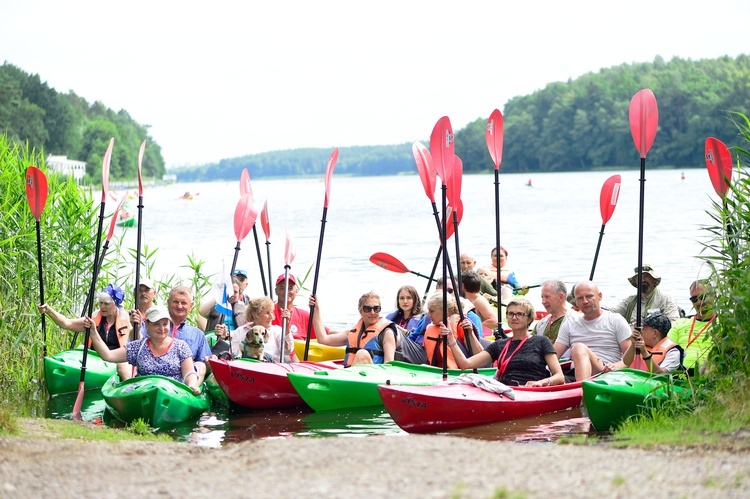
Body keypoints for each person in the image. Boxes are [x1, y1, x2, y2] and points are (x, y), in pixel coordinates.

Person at [443, 298, 565, 387]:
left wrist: (541, 383)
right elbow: (465, 364)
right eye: (511, 313)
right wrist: (451, 340)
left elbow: (559, 376)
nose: (514, 317)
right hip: (506, 391)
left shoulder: (541, 341)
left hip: (532, 391)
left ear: (529, 319)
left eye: (520, 314)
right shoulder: (499, 345)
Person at [84, 305, 201, 394]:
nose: (162, 328)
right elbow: (108, 355)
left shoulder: (181, 346)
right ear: (148, 325)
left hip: (172, 393)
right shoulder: (138, 346)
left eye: (165, 324)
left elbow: (189, 373)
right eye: (156, 324)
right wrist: (93, 332)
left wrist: (191, 384)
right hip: (142, 392)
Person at [38, 283, 133, 381]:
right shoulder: (93, 318)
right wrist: (49, 310)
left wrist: (135, 324)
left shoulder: (127, 319)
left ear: (116, 304)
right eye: (101, 303)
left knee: (123, 366)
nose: (102, 306)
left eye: (107, 304)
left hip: (116, 359)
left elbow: (137, 339)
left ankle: (129, 390)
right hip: (95, 357)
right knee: (79, 348)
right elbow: (67, 323)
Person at [554, 281, 632, 381]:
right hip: (576, 373)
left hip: (606, 373)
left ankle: (582, 391)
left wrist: (617, 366)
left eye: (589, 296)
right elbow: (554, 355)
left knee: (579, 348)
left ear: (599, 296)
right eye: (580, 298)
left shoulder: (615, 320)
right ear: (576, 302)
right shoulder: (570, 323)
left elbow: (630, 357)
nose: (585, 301)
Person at [310, 291, 399, 367]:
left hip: (373, 379)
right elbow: (323, 339)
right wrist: (316, 310)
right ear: (360, 311)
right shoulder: (351, 333)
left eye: (376, 309)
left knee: (362, 354)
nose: (372, 312)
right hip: (353, 375)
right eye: (367, 309)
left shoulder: (387, 333)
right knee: (361, 354)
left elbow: (389, 365)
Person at [409, 278, 484, 346]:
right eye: (441, 292)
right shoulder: (429, 316)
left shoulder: (470, 318)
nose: (446, 295)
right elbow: (413, 337)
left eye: (449, 291)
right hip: (421, 352)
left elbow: (478, 349)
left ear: (457, 291)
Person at [220, 296, 296, 362]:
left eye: (272, 312)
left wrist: (286, 327)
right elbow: (234, 355)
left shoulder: (277, 331)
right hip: (244, 369)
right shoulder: (240, 331)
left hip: (269, 371)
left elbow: (287, 351)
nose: (272, 317)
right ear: (255, 314)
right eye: (267, 313)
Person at [422, 293, 485, 368]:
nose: (428, 315)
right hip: (436, 370)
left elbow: (482, 360)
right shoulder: (430, 327)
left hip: (457, 372)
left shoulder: (461, 325)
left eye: (432, 311)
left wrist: (470, 334)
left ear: (445, 310)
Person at [668, 280, 716, 376]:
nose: (699, 302)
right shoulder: (680, 323)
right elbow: (665, 348)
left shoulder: (724, 324)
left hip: (708, 374)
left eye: (703, 297)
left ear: (714, 295)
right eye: (695, 299)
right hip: (678, 374)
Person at [166, 286, 213, 384]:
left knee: (200, 365)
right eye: (175, 302)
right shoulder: (155, 327)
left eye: (184, 303)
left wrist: (210, 363)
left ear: (191, 306)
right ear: (168, 302)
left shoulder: (198, 335)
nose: (179, 306)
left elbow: (205, 367)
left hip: (185, 383)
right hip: (157, 377)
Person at [610, 264, 680, 323]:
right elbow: (611, 313)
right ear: (635, 281)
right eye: (639, 277)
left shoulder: (666, 299)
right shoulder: (629, 301)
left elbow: (673, 323)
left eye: (647, 276)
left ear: (653, 279)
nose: (643, 280)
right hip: (631, 337)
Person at [272, 273, 314, 340]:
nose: (286, 291)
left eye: (290, 288)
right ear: (276, 291)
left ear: (296, 291)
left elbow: (324, 335)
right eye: (282, 288)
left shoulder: (305, 316)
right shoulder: (266, 313)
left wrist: (317, 310)